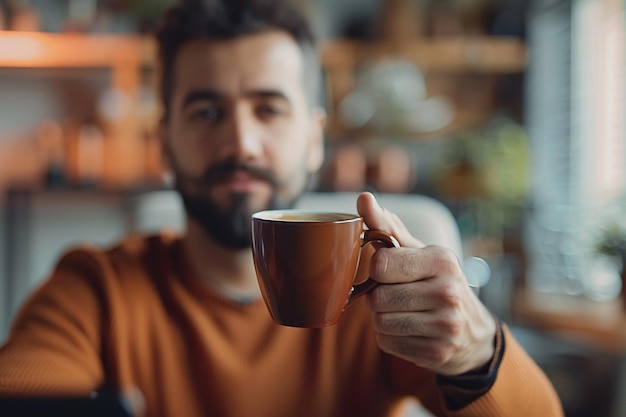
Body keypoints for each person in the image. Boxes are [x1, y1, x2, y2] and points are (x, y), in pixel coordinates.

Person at [0, 0, 563, 416]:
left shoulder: (384, 310)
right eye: (205, 112)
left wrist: (475, 349)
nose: (241, 141)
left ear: (315, 139)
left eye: (268, 109)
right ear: (165, 143)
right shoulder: (95, 290)